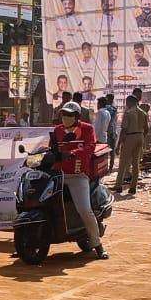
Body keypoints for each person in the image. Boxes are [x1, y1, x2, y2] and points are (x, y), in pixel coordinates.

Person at [49, 101, 106, 258]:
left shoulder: (87, 129)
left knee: (84, 210)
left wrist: (73, 153)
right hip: (58, 175)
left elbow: (90, 147)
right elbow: (51, 150)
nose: (65, 118)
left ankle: (98, 245)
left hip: (77, 176)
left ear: (77, 116)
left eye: (69, 115)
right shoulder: (57, 131)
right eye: (64, 115)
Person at [114, 92, 147, 195]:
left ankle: (119, 185)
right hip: (140, 136)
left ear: (129, 102)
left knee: (123, 162)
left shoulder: (128, 113)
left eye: (126, 102)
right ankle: (133, 187)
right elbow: (147, 129)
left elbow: (124, 130)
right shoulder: (143, 113)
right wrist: (141, 137)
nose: (126, 104)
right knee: (136, 163)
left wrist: (118, 144)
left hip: (130, 137)